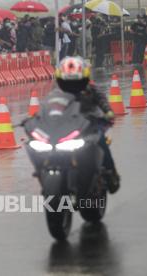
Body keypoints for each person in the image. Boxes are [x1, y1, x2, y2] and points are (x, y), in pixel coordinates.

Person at [55, 56, 120, 194]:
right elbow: (49, 107)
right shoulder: (58, 93)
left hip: (91, 124)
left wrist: (108, 111)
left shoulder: (90, 88)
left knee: (101, 141)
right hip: (68, 126)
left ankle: (111, 173)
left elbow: (101, 99)